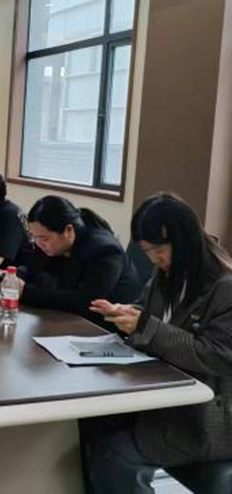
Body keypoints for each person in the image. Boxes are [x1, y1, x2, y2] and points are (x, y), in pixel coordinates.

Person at [85, 193, 232, 493]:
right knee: (87, 425)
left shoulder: (224, 286)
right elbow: (149, 312)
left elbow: (217, 356)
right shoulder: (168, 272)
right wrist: (125, 312)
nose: (153, 259)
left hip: (204, 417)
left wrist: (145, 326)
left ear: (184, 241)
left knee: (114, 455)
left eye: (158, 250)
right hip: (163, 398)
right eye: (146, 251)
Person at [18, 195, 139, 327]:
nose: (38, 243)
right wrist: (15, 278)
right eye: (34, 237)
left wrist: (25, 292)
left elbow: (85, 301)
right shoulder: (50, 244)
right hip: (62, 320)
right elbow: (33, 269)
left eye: (44, 238)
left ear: (68, 230)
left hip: (102, 327)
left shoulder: (104, 251)